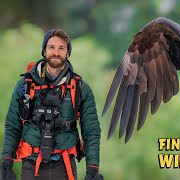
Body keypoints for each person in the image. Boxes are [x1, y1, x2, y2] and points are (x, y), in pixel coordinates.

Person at [0, 29, 103, 180]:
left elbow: (91, 131)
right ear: (44, 51)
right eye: (51, 47)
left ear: (67, 53)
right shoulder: (25, 84)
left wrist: (92, 169)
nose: (56, 52)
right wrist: (6, 164)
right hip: (31, 165)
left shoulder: (80, 88)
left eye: (61, 48)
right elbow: (12, 125)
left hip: (64, 166)